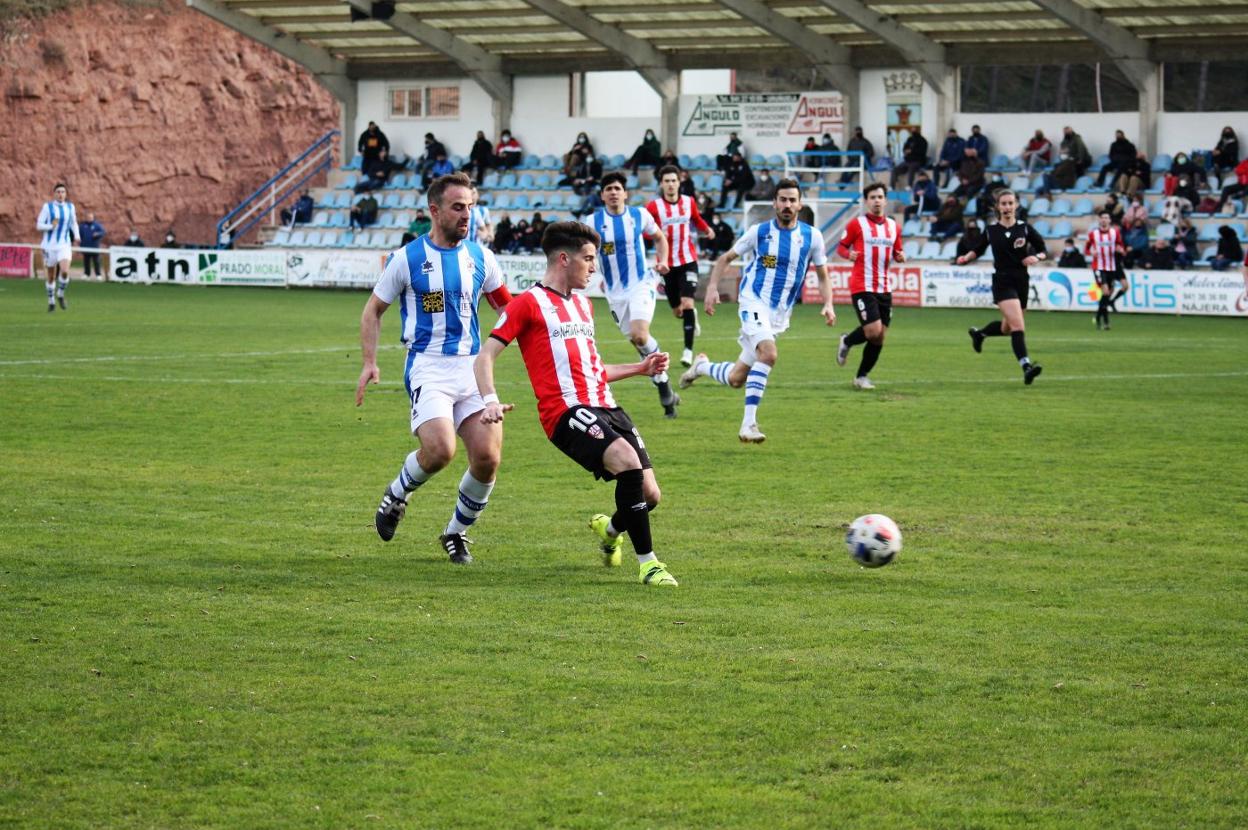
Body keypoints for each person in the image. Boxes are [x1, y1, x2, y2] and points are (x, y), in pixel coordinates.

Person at [473, 222, 679, 587]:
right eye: (588, 259)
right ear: (564, 259)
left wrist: (640, 368)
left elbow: (594, 370)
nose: (594, 267)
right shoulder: (527, 304)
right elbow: (485, 356)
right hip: (564, 413)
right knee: (628, 464)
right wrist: (489, 400)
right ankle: (649, 564)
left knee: (650, 494)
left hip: (606, 406)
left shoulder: (584, 306)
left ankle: (611, 530)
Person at [356, 172, 514, 565]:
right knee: (441, 450)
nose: (467, 216)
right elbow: (373, 310)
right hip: (428, 367)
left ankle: (456, 533)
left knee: (487, 457)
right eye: (458, 207)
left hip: (473, 369)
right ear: (435, 210)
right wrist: (370, 362)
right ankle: (397, 493)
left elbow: (507, 309)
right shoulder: (407, 258)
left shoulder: (481, 257)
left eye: (471, 208)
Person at [679, 178, 835, 442]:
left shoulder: (812, 237)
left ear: (799, 204)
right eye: (782, 199)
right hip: (753, 302)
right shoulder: (759, 232)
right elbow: (724, 258)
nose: (787, 205)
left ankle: (702, 367)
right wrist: (712, 288)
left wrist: (828, 303)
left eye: (792, 200)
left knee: (736, 377)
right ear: (774, 202)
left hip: (779, 314)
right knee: (769, 353)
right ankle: (748, 425)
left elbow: (822, 275)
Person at [590, 171, 678, 418]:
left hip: (642, 283)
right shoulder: (592, 222)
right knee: (638, 343)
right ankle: (665, 386)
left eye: (617, 188)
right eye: (608, 189)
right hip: (615, 293)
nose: (614, 192)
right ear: (602, 195)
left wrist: (663, 261)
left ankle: (663, 384)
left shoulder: (639, 215)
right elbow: (581, 250)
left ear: (625, 193)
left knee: (641, 336)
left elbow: (660, 238)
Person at [957, 189, 1046, 385]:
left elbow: (1042, 249)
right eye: (1003, 204)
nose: (1007, 207)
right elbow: (977, 250)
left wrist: (1036, 257)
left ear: (1016, 206)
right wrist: (966, 258)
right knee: (1018, 326)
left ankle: (980, 334)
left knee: (1007, 329)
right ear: (998, 207)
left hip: (1022, 281)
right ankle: (1027, 367)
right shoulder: (991, 230)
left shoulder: (1025, 228)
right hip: (1002, 282)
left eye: (1010, 203)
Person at [834, 182, 905, 390]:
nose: (876, 201)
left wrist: (900, 256)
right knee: (873, 331)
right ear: (866, 201)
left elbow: (898, 252)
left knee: (879, 337)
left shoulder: (894, 227)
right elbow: (841, 247)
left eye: (880, 197)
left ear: (885, 200)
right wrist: (849, 254)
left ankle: (861, 377)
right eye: (872, 197)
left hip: (884, 287)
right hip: (862, 285)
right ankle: (847, 341)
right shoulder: (857, 224)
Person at [647, 165, 715, 366]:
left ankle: (687, 351)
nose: (670, 184)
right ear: (661, 184)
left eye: (673, 181)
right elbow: (644, 229)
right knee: (678, 311)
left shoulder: (689, 202)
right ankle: (690, 316)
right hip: (667, 266)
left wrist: (707, 230)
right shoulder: (654, 207)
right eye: (666, 181)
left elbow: (696, 219)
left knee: (687, 302)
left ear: (679, 182)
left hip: (688, 261)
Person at [35, 182, 79, 311]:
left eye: (63, 192)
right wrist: (50, 226)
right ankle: (51, 301)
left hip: (64, 245)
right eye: (58, 192)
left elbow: (73, 223)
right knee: (51, 276)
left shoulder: (70, 207)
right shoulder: (47, 207)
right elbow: (39, 225)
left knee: (65, 271)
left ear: (66, 194)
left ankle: (60, 293)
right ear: (54, 194)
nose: (60, 194)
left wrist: (77, 236)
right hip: (49, 246)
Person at [1085, 211, 1128, 329]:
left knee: (1107, 294)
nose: (1104, 220)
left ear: (1109, 220)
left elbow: (1120, 245)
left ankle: (1099, 316)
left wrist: (1121, 249)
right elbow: (1087, 249)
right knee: (1105, 292)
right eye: (1102, 217)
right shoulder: (1093, 234)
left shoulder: (1115, 233)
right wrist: (1091, 252)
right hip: (1098, 267)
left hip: (1112, 267)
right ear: (1099, 220)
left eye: (1106, 217)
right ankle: (1106, 322)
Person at [78, 211, 105, 279]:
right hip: (85, 246)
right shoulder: (82, 226)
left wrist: (97, 234)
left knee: (96, 261)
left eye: (90, 217)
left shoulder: (97, 225)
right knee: (86, 261)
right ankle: (87, 274)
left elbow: (103, 232)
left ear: (93, 218)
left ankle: (98, 274)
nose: (89, 218)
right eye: (88, 217)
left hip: (94, 246)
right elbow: (79, 235)